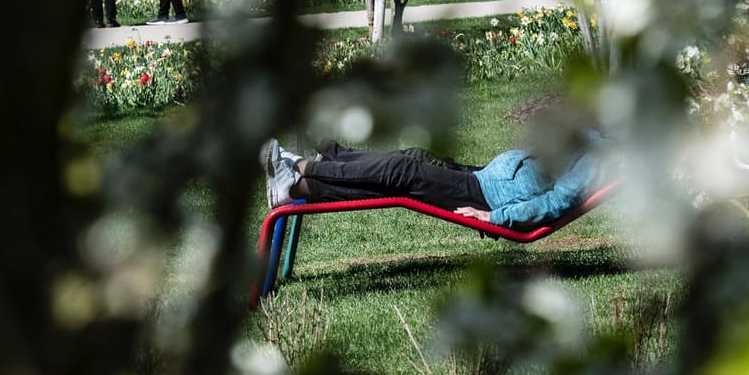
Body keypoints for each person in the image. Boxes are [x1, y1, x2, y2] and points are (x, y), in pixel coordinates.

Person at [259, 136, 611, 230]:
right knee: (414, 157)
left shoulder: (598, 157)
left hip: (487, 197)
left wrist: (494, 218)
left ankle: (304, 169)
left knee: (403, 172)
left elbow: (556, 203)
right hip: (483, 176)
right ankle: (311, 173)